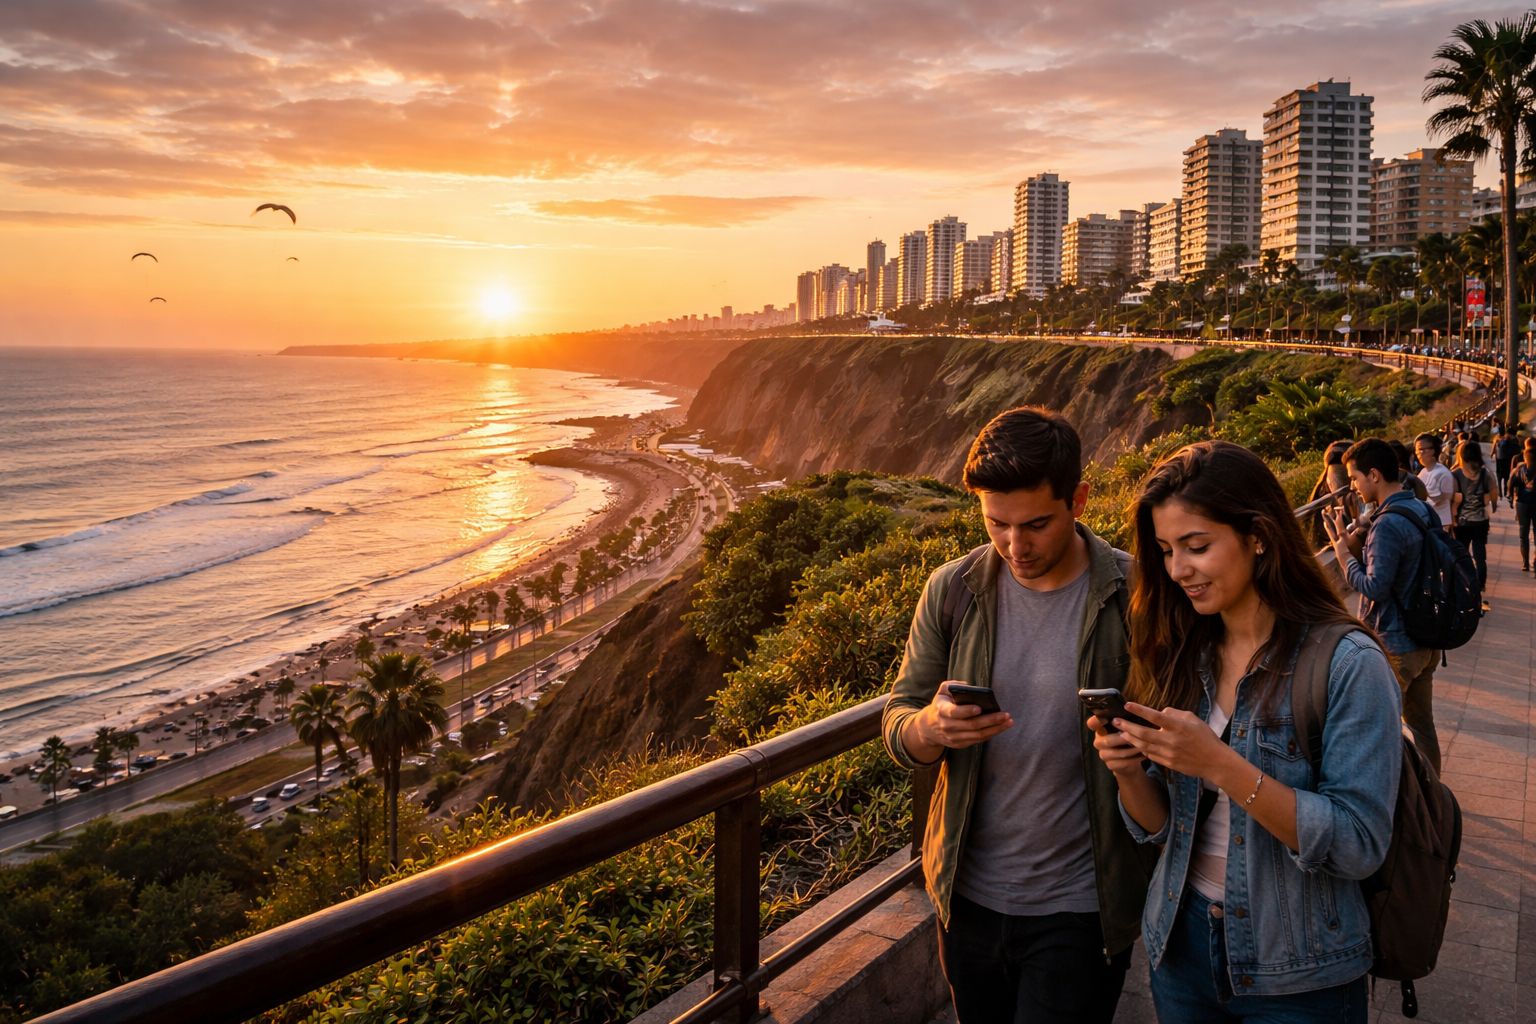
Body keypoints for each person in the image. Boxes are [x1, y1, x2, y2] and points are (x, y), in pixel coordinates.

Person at [1090, 440, 1400, 1023]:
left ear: (1258, 536)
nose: (1178, 569)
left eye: (1196, 546)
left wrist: (1219, 764)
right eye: (1165, 551)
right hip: (1180, 948)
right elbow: (1165, 830)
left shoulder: (1348, 662)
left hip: (1298, 971)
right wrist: (1130, 769)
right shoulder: (1188, 650)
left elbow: (1358, 843)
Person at [882, 407, 1151, 1024]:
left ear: (1079, 499)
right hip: (967, 901)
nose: (1014, 546)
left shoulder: (1134, 597)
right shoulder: (952, 589)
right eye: (995, 524)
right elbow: (898, 721)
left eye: (1035, 525)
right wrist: (930, 727)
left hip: (1083, 909)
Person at [1325, 437, 1443, 774]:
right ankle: (1433, 802)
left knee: (1375, 731)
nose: (1352, 487)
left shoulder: (1387, 523)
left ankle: (1393, 806)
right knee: (1423, 727)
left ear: (1374, 475)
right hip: (1427, 640)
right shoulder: (1422, 508)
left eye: (1355, 478)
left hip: (1397, 647)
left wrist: (1344, 555)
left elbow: (1375, 587)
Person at [1452, 440, 1496, 609]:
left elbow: (1452, 499)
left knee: (1461, 555)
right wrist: (1491, 506)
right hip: (1480, 521)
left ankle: (1464, 585)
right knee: (1479, 555)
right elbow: (1492, 497)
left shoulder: (1455, 474)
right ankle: (1480, 584)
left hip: (1461, 523)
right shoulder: (1486, 473)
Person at [1414, 432, 1455, 528]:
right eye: (1417, 450)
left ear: (1432, 450)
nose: (1418, 454)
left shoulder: (1442, 473)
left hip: (1440, 524)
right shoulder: (1423, 472)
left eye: (1421, 450)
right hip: (1427, 522)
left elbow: (1446, 496)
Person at [1510, 441, 1536, 571]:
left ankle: (1525, 562)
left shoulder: (1519, 468)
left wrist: (1510, 498)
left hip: (1522, 504)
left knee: (1523, 533)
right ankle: (1535, 559)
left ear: (1525, 458)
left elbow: (1511, 483)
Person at [1495, 427, 1522, 502]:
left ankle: (1501, 492)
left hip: (1499, 460)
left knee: (1500, 476)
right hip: (1508, 460)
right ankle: (1506, 492)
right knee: (1507, 477)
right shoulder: (1513, 441)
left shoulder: (1499, 440)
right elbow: (1512, 452)